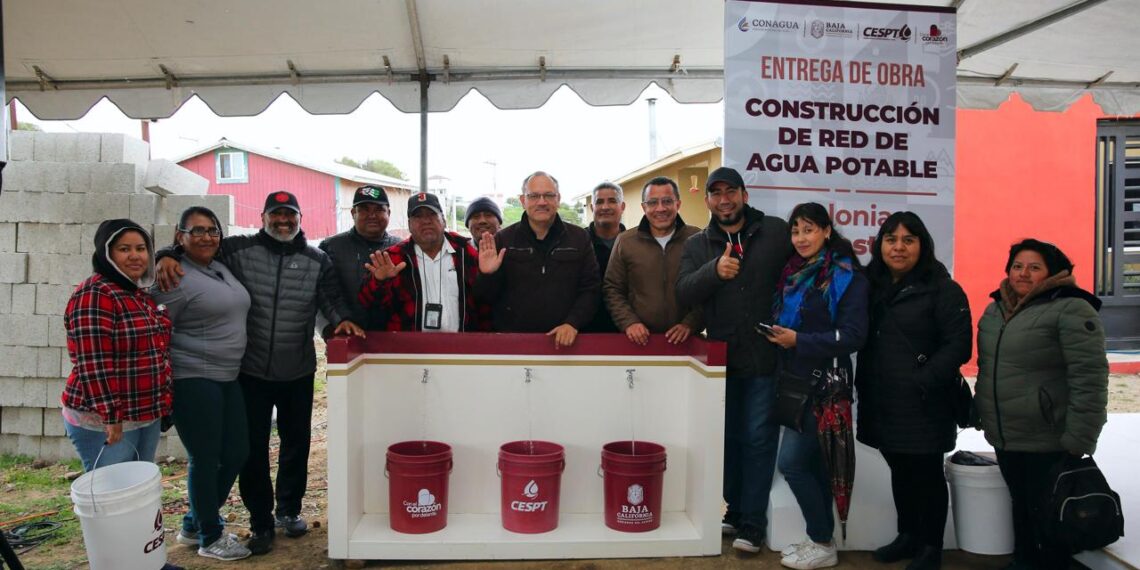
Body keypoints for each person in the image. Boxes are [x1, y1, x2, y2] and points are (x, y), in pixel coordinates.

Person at [156, 190, 364, 555]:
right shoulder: (235, 250)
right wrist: (165, 255)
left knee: (296, 445)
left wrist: (342, 321)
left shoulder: (317, 259)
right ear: (264, 217)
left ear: (300, 219)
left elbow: (330, 300)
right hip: (249, 371)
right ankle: (261, 522)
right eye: (276, 215)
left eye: (290, 215)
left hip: (297, 369)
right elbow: (196, 253)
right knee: (252, 450)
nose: (283, 221)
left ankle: (289, 511)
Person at [677, 166, 792, 553]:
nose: (724, 199)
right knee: (727, 440)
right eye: (716, 193)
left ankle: (753, 525)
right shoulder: (698, 244)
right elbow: (684, 292)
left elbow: (803, 268)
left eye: (731, 191)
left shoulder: (775, 231)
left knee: (759, 439)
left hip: (766, 356)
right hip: (722, 360)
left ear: (744, 194)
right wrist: (715, 271)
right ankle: (737, 510)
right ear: (707, 200)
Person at [975, 239, 1108, 570]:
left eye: (1034, 267)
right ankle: (1024, 560)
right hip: (1007, 434)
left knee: (1048, 512)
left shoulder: (1072, 308)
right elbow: (988, 367)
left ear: (1053, 273)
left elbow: (1089, 378)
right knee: (1021, 504)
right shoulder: (996, 310)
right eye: (1018, 266)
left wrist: (1081, 436)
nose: (1023, 273)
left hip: (1049, 435)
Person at [855, 212, 972, 570]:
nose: (899, 247)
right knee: (900, 469)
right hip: (881, 399)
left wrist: (922, 379)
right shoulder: (870, 284)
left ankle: (930, 547)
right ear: (880, 245)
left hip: (925, 402)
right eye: (891, 240)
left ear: (923, 245)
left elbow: (959, 346)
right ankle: (907, 536)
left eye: (908, 240)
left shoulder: (943, 289)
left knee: (926, 474)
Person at [767, 203, 868, 570]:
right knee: (815, 467)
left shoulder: (846, 276)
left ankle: (822, 541)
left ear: (827, 231)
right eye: (795, 231)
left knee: (792, 464)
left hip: (826, 389)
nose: (800, 238)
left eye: (809, 229)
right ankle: (820, 539)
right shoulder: (793, 272)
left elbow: (853, 336)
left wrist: (800, 341)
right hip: (795, 380)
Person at [150, 207, 252, 561]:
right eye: (197, 231)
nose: (207, 237)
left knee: (237, 451)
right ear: (180, 236)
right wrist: (164, 256)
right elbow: (156, 328)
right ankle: (210, 536)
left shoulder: (218, 267)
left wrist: (165, 253)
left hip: (228, 376)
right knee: (205, 459)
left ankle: (195, 522)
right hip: (194, 378)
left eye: (212, 230)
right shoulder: (173, 279)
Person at [63, 219, 172, 471]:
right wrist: (111, 417)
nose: (135, 256)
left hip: (144, 414)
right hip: (105, 421)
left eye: (141, 248)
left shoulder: (138, 294)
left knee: (136, 489)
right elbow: (94, 363)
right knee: (112, 493)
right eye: (124, 249)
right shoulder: (96, 294)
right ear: (107, 254)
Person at [475, 171, 601, 347]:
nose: (542, 202)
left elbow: (591, 289)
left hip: (565, 343)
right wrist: (487, 274)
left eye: (549, 195)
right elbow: (485, 298)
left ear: (558, 198)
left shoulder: (579, 238)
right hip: (514, 343)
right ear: (522, 200)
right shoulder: (503, 240)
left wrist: (573, 322)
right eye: (534, 196)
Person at [359, 192, 491, 331]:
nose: (426, 221)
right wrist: (379, 281)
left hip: (460, 346)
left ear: (443, 221)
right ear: (409, 224)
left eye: (432, 214)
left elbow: (484, 302)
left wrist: (489, 275)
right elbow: (368, 304)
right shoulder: (393, 258)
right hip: (410, 348)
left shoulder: (466, 252)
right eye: (418, 216)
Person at [603, 176, 701, 345]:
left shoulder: (697, 238)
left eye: (667, 201)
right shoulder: (625, 241)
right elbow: (612, 288)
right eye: (653, 202)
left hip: (688, 342)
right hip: (639, 341)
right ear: (644, 207)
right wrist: (630, 322)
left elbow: (708, 287)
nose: (660, 208)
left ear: (678, 204)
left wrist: (690, 323)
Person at [319, 185, 401, 331]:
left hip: (392, 339)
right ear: (353, 213)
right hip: (346, 334)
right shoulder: (330, 247)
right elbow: (322, 293)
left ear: (389, 212)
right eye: (364, 209)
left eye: (379, 209)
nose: (372, 215)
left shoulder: (401, 248)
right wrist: (332, 326)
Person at [583, 181, 626, 332]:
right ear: (591, 207)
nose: (605, 207)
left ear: (622, 207)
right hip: (582, 331)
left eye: (612, 201)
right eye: (599, 202)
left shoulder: (635, 243)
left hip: (630, 331)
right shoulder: (577, 243)